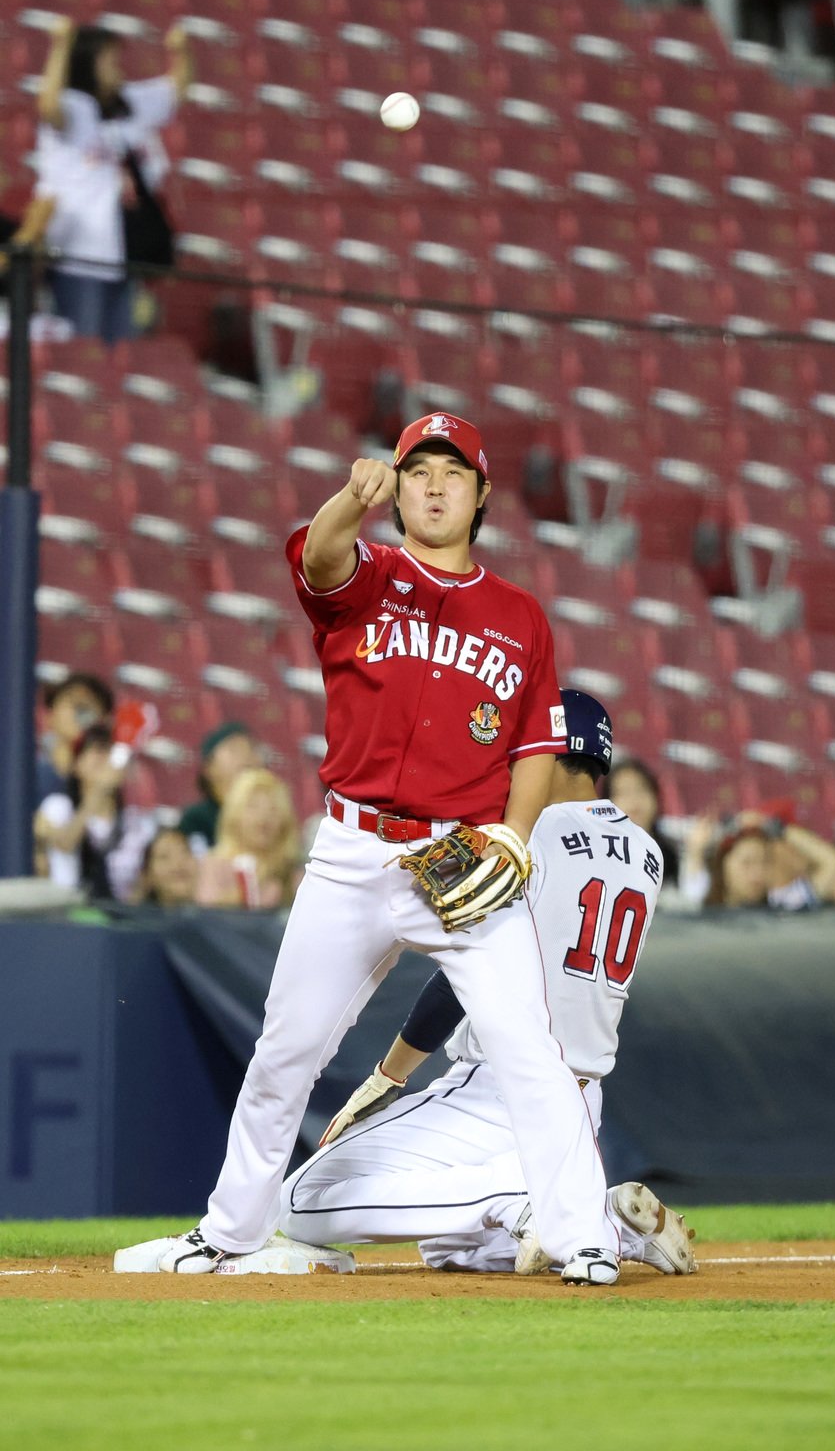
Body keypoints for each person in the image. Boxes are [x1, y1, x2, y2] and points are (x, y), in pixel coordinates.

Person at [157, 411, 623, 1285]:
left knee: (527, 1046)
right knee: (287, 1049)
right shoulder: (369, 572)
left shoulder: (520, 617)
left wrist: (516, 837)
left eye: (453, 472)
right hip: (352, 849)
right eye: (419, 471)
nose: (435, 484)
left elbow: (532, 747)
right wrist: (348, 499)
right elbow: (317, 561)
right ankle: (228, 1230)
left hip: (461, 860)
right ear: (399, 487)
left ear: (483, 495)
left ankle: (582, 1234)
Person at [278, 688, 695, 1279]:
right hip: (581, 1102)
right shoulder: (648, 853)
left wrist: (388, 1076)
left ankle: (525, 1203)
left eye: (524, 753)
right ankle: (599, 1218)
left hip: (502, 1089)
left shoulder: (525, 836)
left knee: (299, 1202)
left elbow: (460, 981)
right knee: (450, 1250)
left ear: (552, 751)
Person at [35, 18, 191, 342]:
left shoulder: (126, 104)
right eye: (109, 60)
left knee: (119, 359)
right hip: (77, 258)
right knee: (81, 354)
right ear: (86, 64)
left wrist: (181, 51)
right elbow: (48, 105)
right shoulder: (73, 106)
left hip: (122, 255)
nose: (118, 68)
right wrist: (59, 47)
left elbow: (176, 88)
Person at [33, 724, 154, 901]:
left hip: (120, 918)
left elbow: (142, 885)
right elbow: (65, 843)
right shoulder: (58, 806)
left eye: (109, 751)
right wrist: (99, 791)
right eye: (95, 750)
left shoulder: (138, 823)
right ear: (76, 764)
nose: (103, 757)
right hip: (67, 915)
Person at [196, 768, 304, 910]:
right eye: (253, 807)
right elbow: (204, 917)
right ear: (234, 815)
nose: (263, 818)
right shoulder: (214, 866)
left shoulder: (295, 875)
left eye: (273, 809)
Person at [178, 721, 257, 854]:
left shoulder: (266, 815)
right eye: (234, 750)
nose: (246, 757)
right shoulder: (196, 820)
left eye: (251, 749)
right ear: (209, 767)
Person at [35, 671, 113, 802]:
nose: (77, 713)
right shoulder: (25, 765)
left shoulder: (107, 778)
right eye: (71, 701)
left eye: (86, 706)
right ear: (50, 714)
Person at [603, 758, 682, 887]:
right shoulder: (599, 854)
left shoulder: (669, 855)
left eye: (641, 789)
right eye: (624, 792)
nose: (634, 800)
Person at [134, 825, 199, 908]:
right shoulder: (132, 919)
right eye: (164, 856)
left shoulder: (214, 916)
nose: (178, 862)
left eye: (185, 852)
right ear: (147, 876)